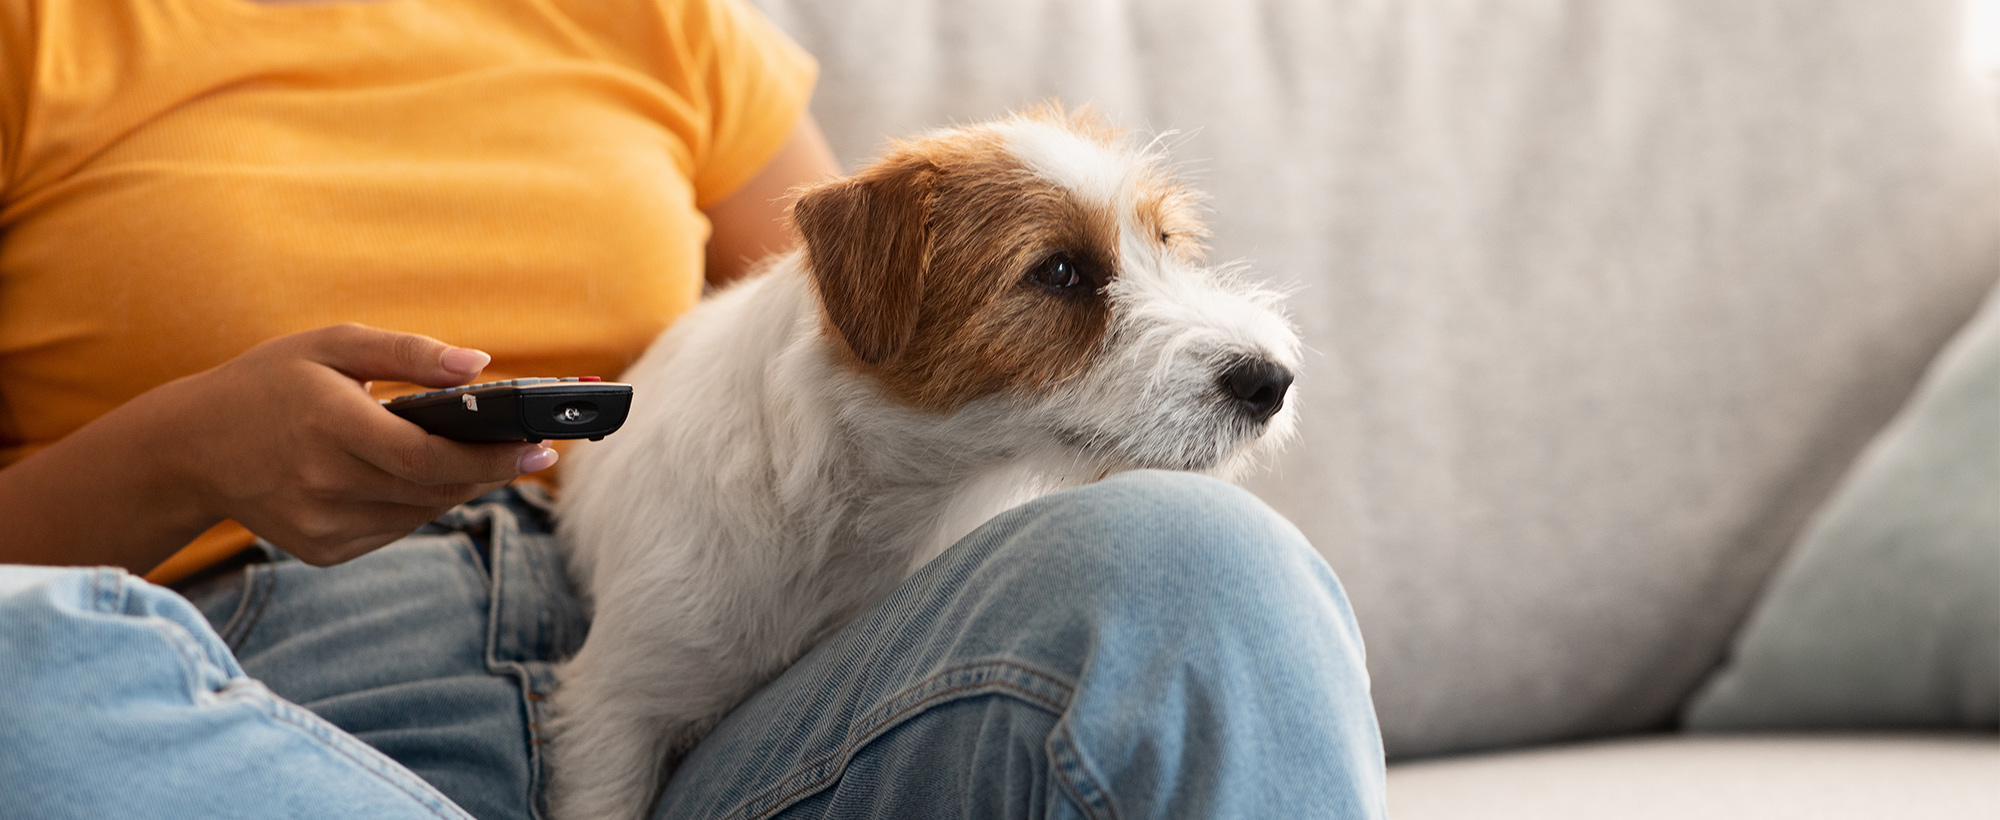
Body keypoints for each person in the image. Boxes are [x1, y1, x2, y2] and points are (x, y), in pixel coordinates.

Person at [0, 1, 1388, 818]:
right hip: (264, 689)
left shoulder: (656, 18)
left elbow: (898, 344)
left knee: (1208, 568)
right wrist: (188, 456)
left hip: (714, 686)